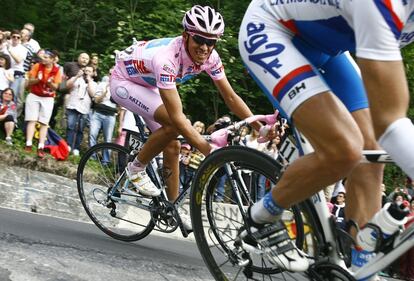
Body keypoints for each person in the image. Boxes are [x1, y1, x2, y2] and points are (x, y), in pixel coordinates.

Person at [238, 0, 414, 273]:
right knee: (345, 149)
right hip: (273, 29)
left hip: (331, 49)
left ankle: (362, 267)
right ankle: (261, 217)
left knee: (372, 152)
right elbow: (389, 119)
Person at [111, 5, 271, 231]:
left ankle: (172, 207)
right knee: (173, 125)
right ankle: (136, 168)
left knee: (174, 146)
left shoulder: (211, 57)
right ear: (186, 35)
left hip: (147, 83)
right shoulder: (166, 59)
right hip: (124, 82)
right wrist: (208, 150)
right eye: (199, 39)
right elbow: (177, 118)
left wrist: (259, 127)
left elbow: (231, 98)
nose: (205, 47)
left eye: (211, 41)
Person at [25, 49, 62, 158]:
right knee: (31, 119)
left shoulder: (57, 70)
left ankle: (41, 146)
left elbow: (56, 87)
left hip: (48, 98)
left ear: (52, 59)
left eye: (46, 57)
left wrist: (50, 83)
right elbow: (29, 81)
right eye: (43, 57)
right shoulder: (37, 66)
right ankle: (28, 144)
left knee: (44, 122)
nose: (43, 59)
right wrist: (38, 79)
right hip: (34, 95)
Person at [65, 64, 96, 156]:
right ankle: (68, 145)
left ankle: (76, 148)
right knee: (70, 126)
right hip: (73, 105)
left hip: (85, 108)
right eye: (86, 71)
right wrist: (77, 76)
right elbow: (67, 85)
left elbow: (93, 94)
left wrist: (89, 81)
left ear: (93, 73)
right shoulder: (77, 79)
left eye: (89, 71)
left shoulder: (94, 83)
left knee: (80, 129)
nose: (87, 73)